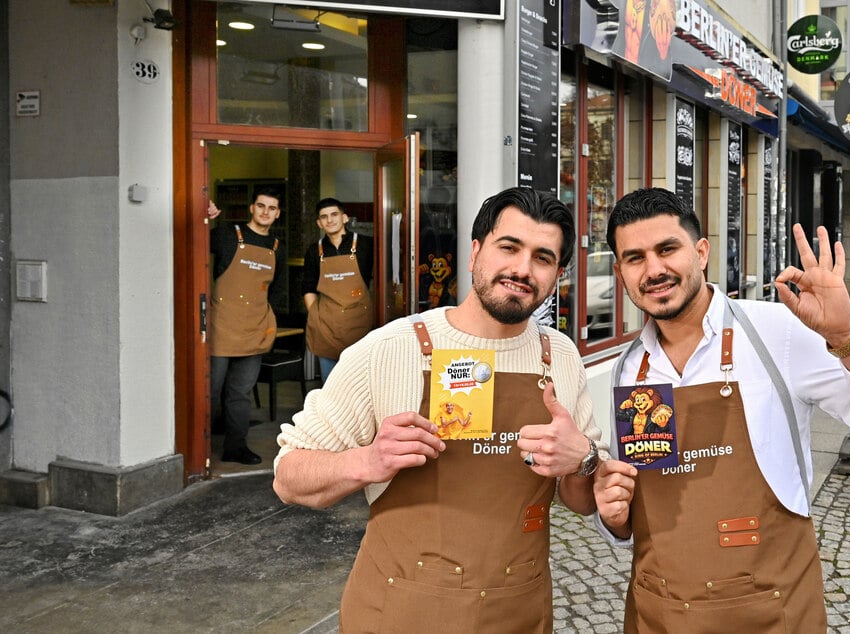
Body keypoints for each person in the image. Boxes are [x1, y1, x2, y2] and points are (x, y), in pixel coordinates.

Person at [593, 187, 850, 632]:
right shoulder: (629, 368)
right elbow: (633, 511)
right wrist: (613, 519)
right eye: (635, 258)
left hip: (771, 615)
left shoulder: (778, 333)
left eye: (667, 249)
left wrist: (845, 338)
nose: (654, 269)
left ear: (701, 252)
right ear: (620, 271)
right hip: (658, 614)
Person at [273, 186, 606, 633]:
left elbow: (582, 501)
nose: (522, 269)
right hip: (399, 613)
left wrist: (585, 459)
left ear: (558, 274)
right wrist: (367, 461)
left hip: (518, 612)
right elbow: (288, 477)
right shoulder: (389, 349)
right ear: (475, 252)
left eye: (542, 258)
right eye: (509, 247)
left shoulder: (560, 356)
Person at [207, 187, 287, 465]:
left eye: (272, 208)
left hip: (254, 330)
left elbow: (277, 290)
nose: (266, 212)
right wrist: (204, 216)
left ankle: (235, 447)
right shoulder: (228, 235)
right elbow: (192, 242)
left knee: (240, 393)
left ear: (278, 214)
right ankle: (198, 449)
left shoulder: (277, 247)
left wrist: (264, 319)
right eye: (261, 206)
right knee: (210, 390)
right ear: (252, 208)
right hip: (221, 328)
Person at [301, 197, 374, 382]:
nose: (330, 220)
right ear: (319, 223)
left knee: (359, 384)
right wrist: (316, 317)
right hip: (327, 330)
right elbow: (308, 287)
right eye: (324, 217)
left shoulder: (367, 245)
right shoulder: (314, 251)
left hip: (361, 328)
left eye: (334, 214)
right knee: (331, 385)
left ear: (345, 218)